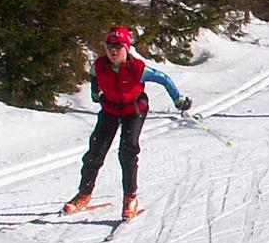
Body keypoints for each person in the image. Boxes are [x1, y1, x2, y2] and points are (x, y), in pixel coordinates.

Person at [63, 25, 192, 219]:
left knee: (128, 150)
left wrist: (178, 100)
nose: (113, 50)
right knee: (95, 152)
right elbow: (94, 76)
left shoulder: (139, 69)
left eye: (118, 46)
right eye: (109, 46)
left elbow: (164, 79)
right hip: (111, 109)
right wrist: (95, 93)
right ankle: (84, 194)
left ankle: (130, 197)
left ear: (127, 48)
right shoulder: (98, 65)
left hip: (134, 109)